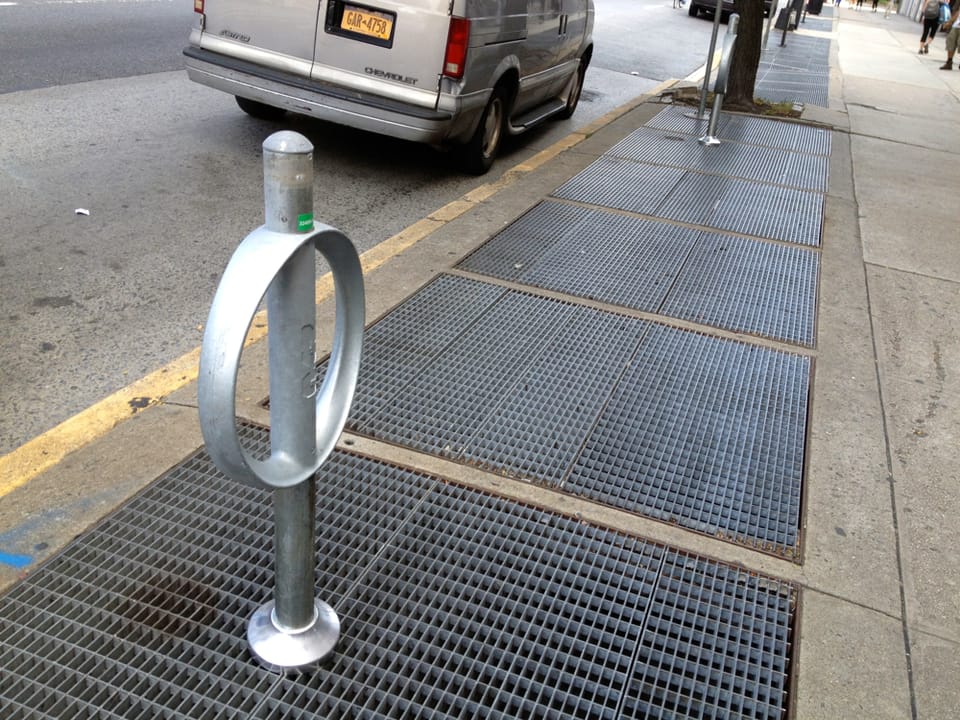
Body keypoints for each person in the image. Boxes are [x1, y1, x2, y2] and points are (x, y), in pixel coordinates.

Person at [941, 5, 960, 69]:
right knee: (950, 44)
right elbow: (958, 12)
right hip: (956, 26)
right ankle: (949, 63)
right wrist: (950, 22)